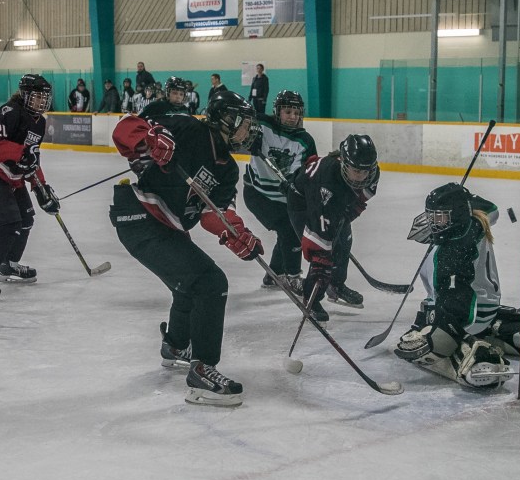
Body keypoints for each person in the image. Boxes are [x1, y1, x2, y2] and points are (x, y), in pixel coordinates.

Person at [109, 90, 262, 407]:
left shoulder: (227, 169)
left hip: (166, 227)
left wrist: (237, 234)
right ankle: (202, 372)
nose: (249, 131)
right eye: (245, 124)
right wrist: (151, 140)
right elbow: (125, 128)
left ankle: (176, 346)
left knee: (189, 285)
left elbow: (214, 213)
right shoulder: (188, 127)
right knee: (210, 282)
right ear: (226, 120)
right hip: (139, 216)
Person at [394, 183, 516, 389]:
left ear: (456, 215)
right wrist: (461, 198)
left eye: (440, 218)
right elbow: (491, 207)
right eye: (432, 217)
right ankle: (502, 329)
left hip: (472, 313)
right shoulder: (476, 220)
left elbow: (457, 302)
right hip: (487, 305)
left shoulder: (452, 251)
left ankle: (474, 356)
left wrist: (441, 336)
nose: (433, 224)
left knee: (434, 339)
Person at [0, 73, 59, 300]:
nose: (42, 102)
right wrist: (20, 153)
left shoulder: (40, 122)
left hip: (12, 179)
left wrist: (41, 187)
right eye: (37, 96)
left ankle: (8, 265)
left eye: (44, 97)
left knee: (26, 220)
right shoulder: (10, 112)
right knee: (9, 225)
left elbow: (32, 157)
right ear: (25, 95)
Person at [287, 134, 380, 323]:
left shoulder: (372, 173)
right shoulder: (327, 178)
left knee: (344, 243)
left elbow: (362, 197)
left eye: (365, 171)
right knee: (323, 255)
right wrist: (321, 256)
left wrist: (349, 214)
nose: (361, 176)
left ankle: (336, 286)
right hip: (304, 203)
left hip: (335, 200)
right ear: (344, 163)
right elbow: (318, 230)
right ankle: (311, 298)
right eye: (356, 171)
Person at [243, 90, 317, 295]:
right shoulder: (261, 123)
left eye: (296, 112)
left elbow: (308, 172)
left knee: (289, 229)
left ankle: (274, 274)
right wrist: (248, 138)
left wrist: (296, 183)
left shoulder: (305, 140)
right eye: (287, 112)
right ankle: (292, 276)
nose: (292, 117)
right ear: (277, 111)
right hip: (257, 193)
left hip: (285, 198)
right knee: (288, 230)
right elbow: (237, 128)